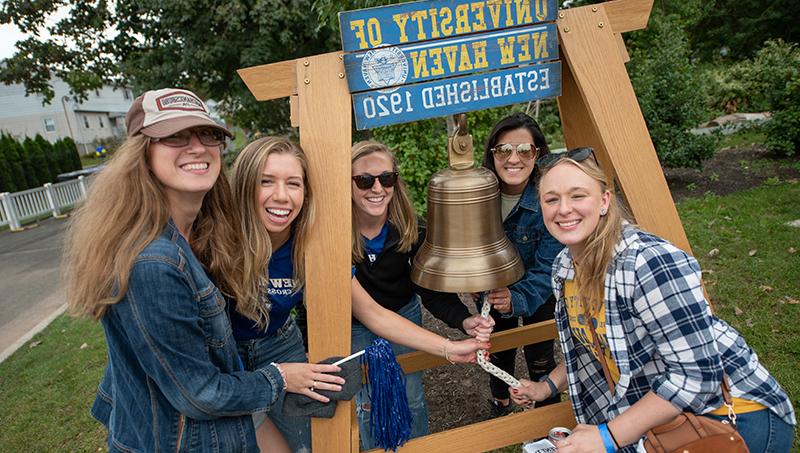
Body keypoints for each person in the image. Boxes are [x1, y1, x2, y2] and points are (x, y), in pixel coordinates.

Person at [63, 88, 343, 453]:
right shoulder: (153, 263)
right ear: (143, 154)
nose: (196, 147)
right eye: (175, 136)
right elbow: (199, 394)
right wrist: (280, 376)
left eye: (207, 134)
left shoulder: (199, 233)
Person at [509, 147, 796, 452]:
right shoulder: (565, 267)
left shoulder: (648, 262)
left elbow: (698, 376)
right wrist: (546, 386)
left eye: (578, 195)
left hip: (730, 421)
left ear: (605, 201)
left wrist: (608, 436)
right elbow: (591, 347)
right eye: (552, 199)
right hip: (668, 423)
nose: (564, 209)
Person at [229, 137, 492, 451]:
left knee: (309, 437)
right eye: (266, 181)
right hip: (234, 346)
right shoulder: (222, 243)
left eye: (293, 183)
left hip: (293, 337)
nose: (377, 188)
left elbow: (382, 309)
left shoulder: (319, 242)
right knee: (356, 403)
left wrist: (451, 343)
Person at [351, 140, 494, 450]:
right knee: (368, 401)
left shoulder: (411, 231)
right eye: (364, 180)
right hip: (354, 326)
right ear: (346, 185)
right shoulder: (334, 236)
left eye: (386, 178)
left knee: (410, 393)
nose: (377, 188)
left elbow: (428, 290)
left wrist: (463, 319)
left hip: (403, 314)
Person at [480, 112, 564, 417]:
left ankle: (546, 410)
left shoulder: (550, 199)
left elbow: (549, 267)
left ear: (538, 154)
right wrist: (485, 294)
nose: (513, 158)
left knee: (540, 354)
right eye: (503, 150)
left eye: (524, 150)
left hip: (539, 292)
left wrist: (516, 298)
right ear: (492, 155)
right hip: (492, 291)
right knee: (498, 351)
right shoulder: (476, 195)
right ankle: (500, 400)